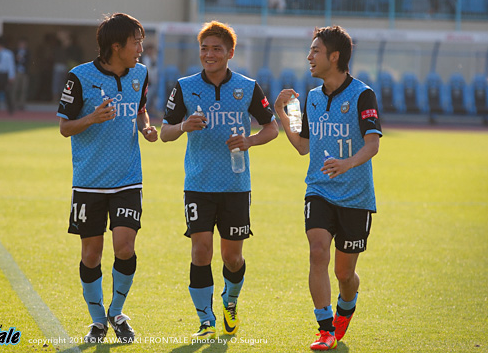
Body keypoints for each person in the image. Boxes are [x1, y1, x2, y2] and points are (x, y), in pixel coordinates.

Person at [160, 20, 278, 339]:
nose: (209, 54)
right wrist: (184, 126)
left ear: (230, 53)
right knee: (201, 251)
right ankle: (205, 321)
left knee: (232, 256)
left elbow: (272, 128)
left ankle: (231, 301)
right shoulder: (184, 86)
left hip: (236, 185)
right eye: (204, 48)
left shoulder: (248, 86)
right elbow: (164, 133)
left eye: (216, 49)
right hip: (197, 184)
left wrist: (249, 140)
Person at [275, 26, 382, 351]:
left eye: (315, 51)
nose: (309, 57)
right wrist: (282, 113)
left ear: (334, 56)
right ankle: (324, 329)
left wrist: (346, 163)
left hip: (356, 197)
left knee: (344, 274)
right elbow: (303, 145)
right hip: (319, 190)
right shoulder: (312, 97)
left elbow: (373, 145)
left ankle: (345, 309)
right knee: (317, 251)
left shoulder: (363, 94)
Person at [56, 13, 158, 344]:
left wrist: (145, 127)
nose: (141, 48)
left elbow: (140, 108)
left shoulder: (140, 73)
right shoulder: (79, 76)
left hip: (129, 178)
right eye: (136, 42)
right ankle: (98, 321)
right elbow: (64, 128)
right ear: (116, 46)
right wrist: (93, 117)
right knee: (91, 255)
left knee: (125, 247)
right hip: (89, 181)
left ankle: (116, 311)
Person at [13, 37, 30, 111]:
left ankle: (21, 104)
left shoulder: (28, 52)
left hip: (24, 72)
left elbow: (29, 61)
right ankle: (14, 104)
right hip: (17, 72)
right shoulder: (15, 52)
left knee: (23, 89)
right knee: (15, 88)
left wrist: (23, 60)